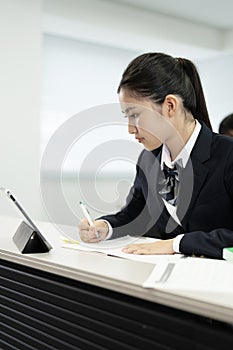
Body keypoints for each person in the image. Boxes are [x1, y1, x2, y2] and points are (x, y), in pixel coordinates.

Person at [78, 52, 233, 259]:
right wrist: (105, 227)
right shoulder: (148, 160)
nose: (130, 129)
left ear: (170, 106)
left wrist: (176, 244)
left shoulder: (228, 154)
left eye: (135, 115)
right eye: (127, 117)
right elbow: (134, 215)